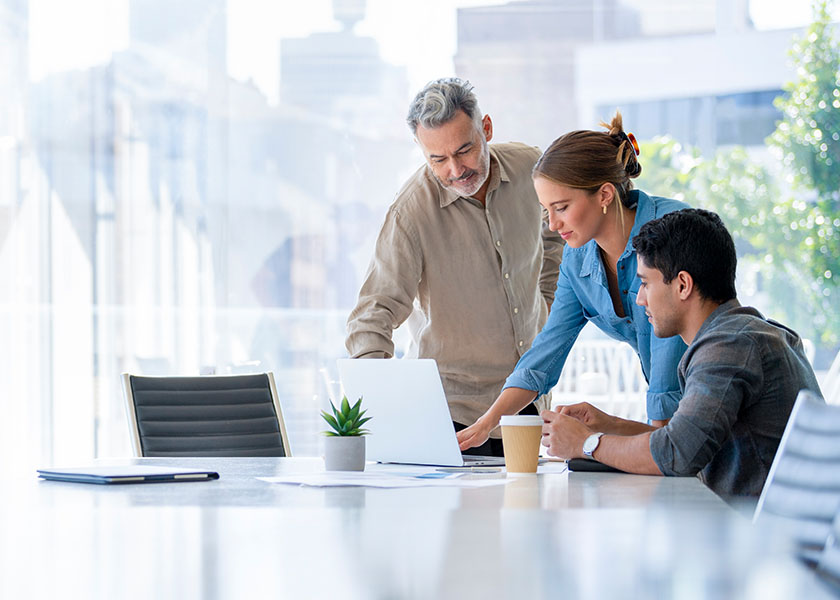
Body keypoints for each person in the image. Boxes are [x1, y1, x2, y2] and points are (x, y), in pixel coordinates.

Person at [345, 77, 565, 456]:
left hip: (527, 404)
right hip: (453, 417)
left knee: (528, 513)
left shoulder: (532, 166)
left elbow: (555, 234)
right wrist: (385, 412)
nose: (455, 170)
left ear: (487, 129)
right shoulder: (410, 213)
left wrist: (545, 302)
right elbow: (372, 316)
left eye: (464, 150)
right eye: (437, 159)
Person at [541, 208, 824, 500]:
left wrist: (587, 443)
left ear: (683, 285)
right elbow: (685, 440)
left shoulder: (728, 346)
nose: (639, 299)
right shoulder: (745, 333)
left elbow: (677, 455)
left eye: (646, 283)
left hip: (759, 537)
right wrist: (608, 426)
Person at [458, 113, 689, 452]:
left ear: (605, 194)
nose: (553, 225)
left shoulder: (671, 232)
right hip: (678, 424)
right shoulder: (578, 258)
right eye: (546, 211)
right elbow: (545, 353)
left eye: (562, 207)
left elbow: (668, 372)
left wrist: (613, 444)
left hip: (715, 403)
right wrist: (486, 424)